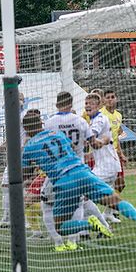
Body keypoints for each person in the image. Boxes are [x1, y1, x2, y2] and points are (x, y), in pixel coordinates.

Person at [21, 111, 136, 240]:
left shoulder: (28, 147)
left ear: (26, 129)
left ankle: (90, 224)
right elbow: (72, 147)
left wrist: (36, 165)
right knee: (114, 199)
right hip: (82, 172)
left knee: (60, 226)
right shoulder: (57, 134)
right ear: (41, 123)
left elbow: (25, 174)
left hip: (63, 182)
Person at [42, 91, 111, 250]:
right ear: (71, 104)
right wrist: (105, 140)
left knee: (47, 205)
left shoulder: (49, 123)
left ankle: (59, 243)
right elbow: (94, 145)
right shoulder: (80, 121)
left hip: (56, 170)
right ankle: (72, 242)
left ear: (57, 104)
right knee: (78, 204)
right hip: (76, 170)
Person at [0, 91, 26, 229]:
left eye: (20, 99)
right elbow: (12, 136)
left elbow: (30, 134)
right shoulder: (12, 116)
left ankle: (25, 220)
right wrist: (1, 147)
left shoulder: (25, 115)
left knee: (22, 187)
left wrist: (24, 148)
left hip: (23, 156)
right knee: (6, 186)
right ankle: (6, 219)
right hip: (13, 157)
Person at [101, 90, 127, 222]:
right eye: (108, 98)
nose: (111, 99)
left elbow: (117, 137)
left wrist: (121, 154)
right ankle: (90, 214)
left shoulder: (118, 115)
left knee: (120, 184)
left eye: (113, 97)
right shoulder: (101, 115)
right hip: (103, 155)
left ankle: (108, 212)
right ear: (104, 100)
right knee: (102, 185)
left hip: (115, 155)